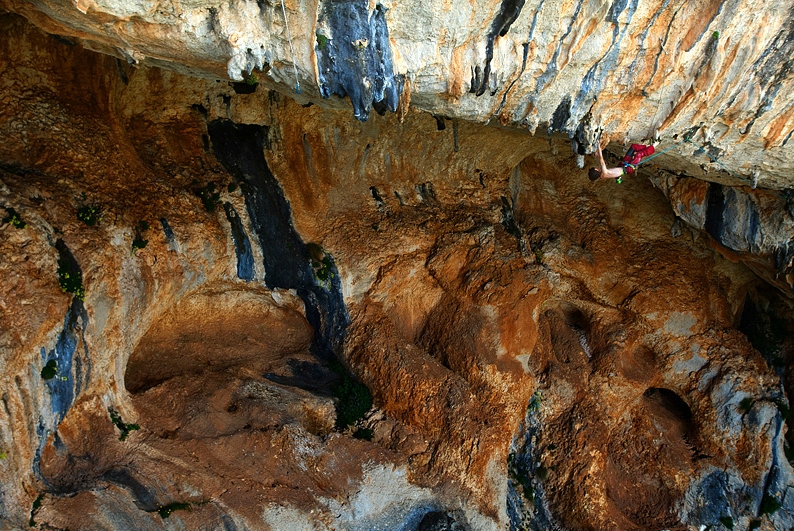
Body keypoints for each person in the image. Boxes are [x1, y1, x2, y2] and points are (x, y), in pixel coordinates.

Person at [589, 141, 655, 183]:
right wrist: (599, 147)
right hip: (628, 168)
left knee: (633, 147)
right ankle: (654, 146)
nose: (597, 167)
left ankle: (647, 146)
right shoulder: (604, 173)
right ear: (596, 169)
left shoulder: (601, 176)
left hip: (623, 165)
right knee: (639, 154)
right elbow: (602, 161)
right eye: (596, 167)